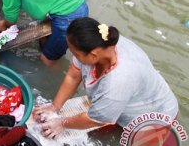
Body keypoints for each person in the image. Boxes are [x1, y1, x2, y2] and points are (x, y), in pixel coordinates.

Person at [32, 17, 179, 139]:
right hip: (128, 100)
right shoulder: (99, 42)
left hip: (154, 117)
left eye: (76, 54)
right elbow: (73, 74)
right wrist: (55, 106)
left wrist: (62, 123)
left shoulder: (119, 80)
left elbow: (96, 119)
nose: (74, 57)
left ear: (94, 55)